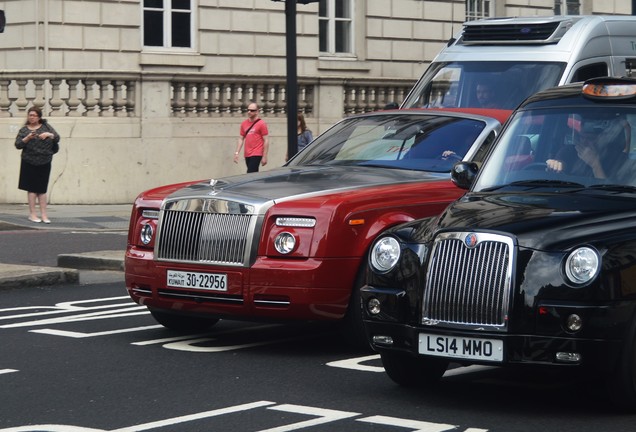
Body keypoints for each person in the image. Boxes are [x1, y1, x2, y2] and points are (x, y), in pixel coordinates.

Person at [14, 106, 60, 223]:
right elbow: (18, 145)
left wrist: (48, 135)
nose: (32, 117)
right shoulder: (24, 130)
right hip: (29, 161)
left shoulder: (46, 127)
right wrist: (28, 138)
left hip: (45, 160)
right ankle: (32, 214)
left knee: (42, 190)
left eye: (34, 115)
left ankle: (44, 215)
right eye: (30, 115)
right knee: (31, 189)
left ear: (39, 117)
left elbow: (57, 137)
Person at [234, 102, 269, 173]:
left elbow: (266, 140)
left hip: (257, 153)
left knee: (250, 172)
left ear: (257, 111)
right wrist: (237, 153)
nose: (249, 112)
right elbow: (241, 138)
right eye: (248, 110)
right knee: (253, 175)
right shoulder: (244, 124)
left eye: (252, 110)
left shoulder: (261, 123)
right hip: (247, 153)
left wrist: (264, 156)